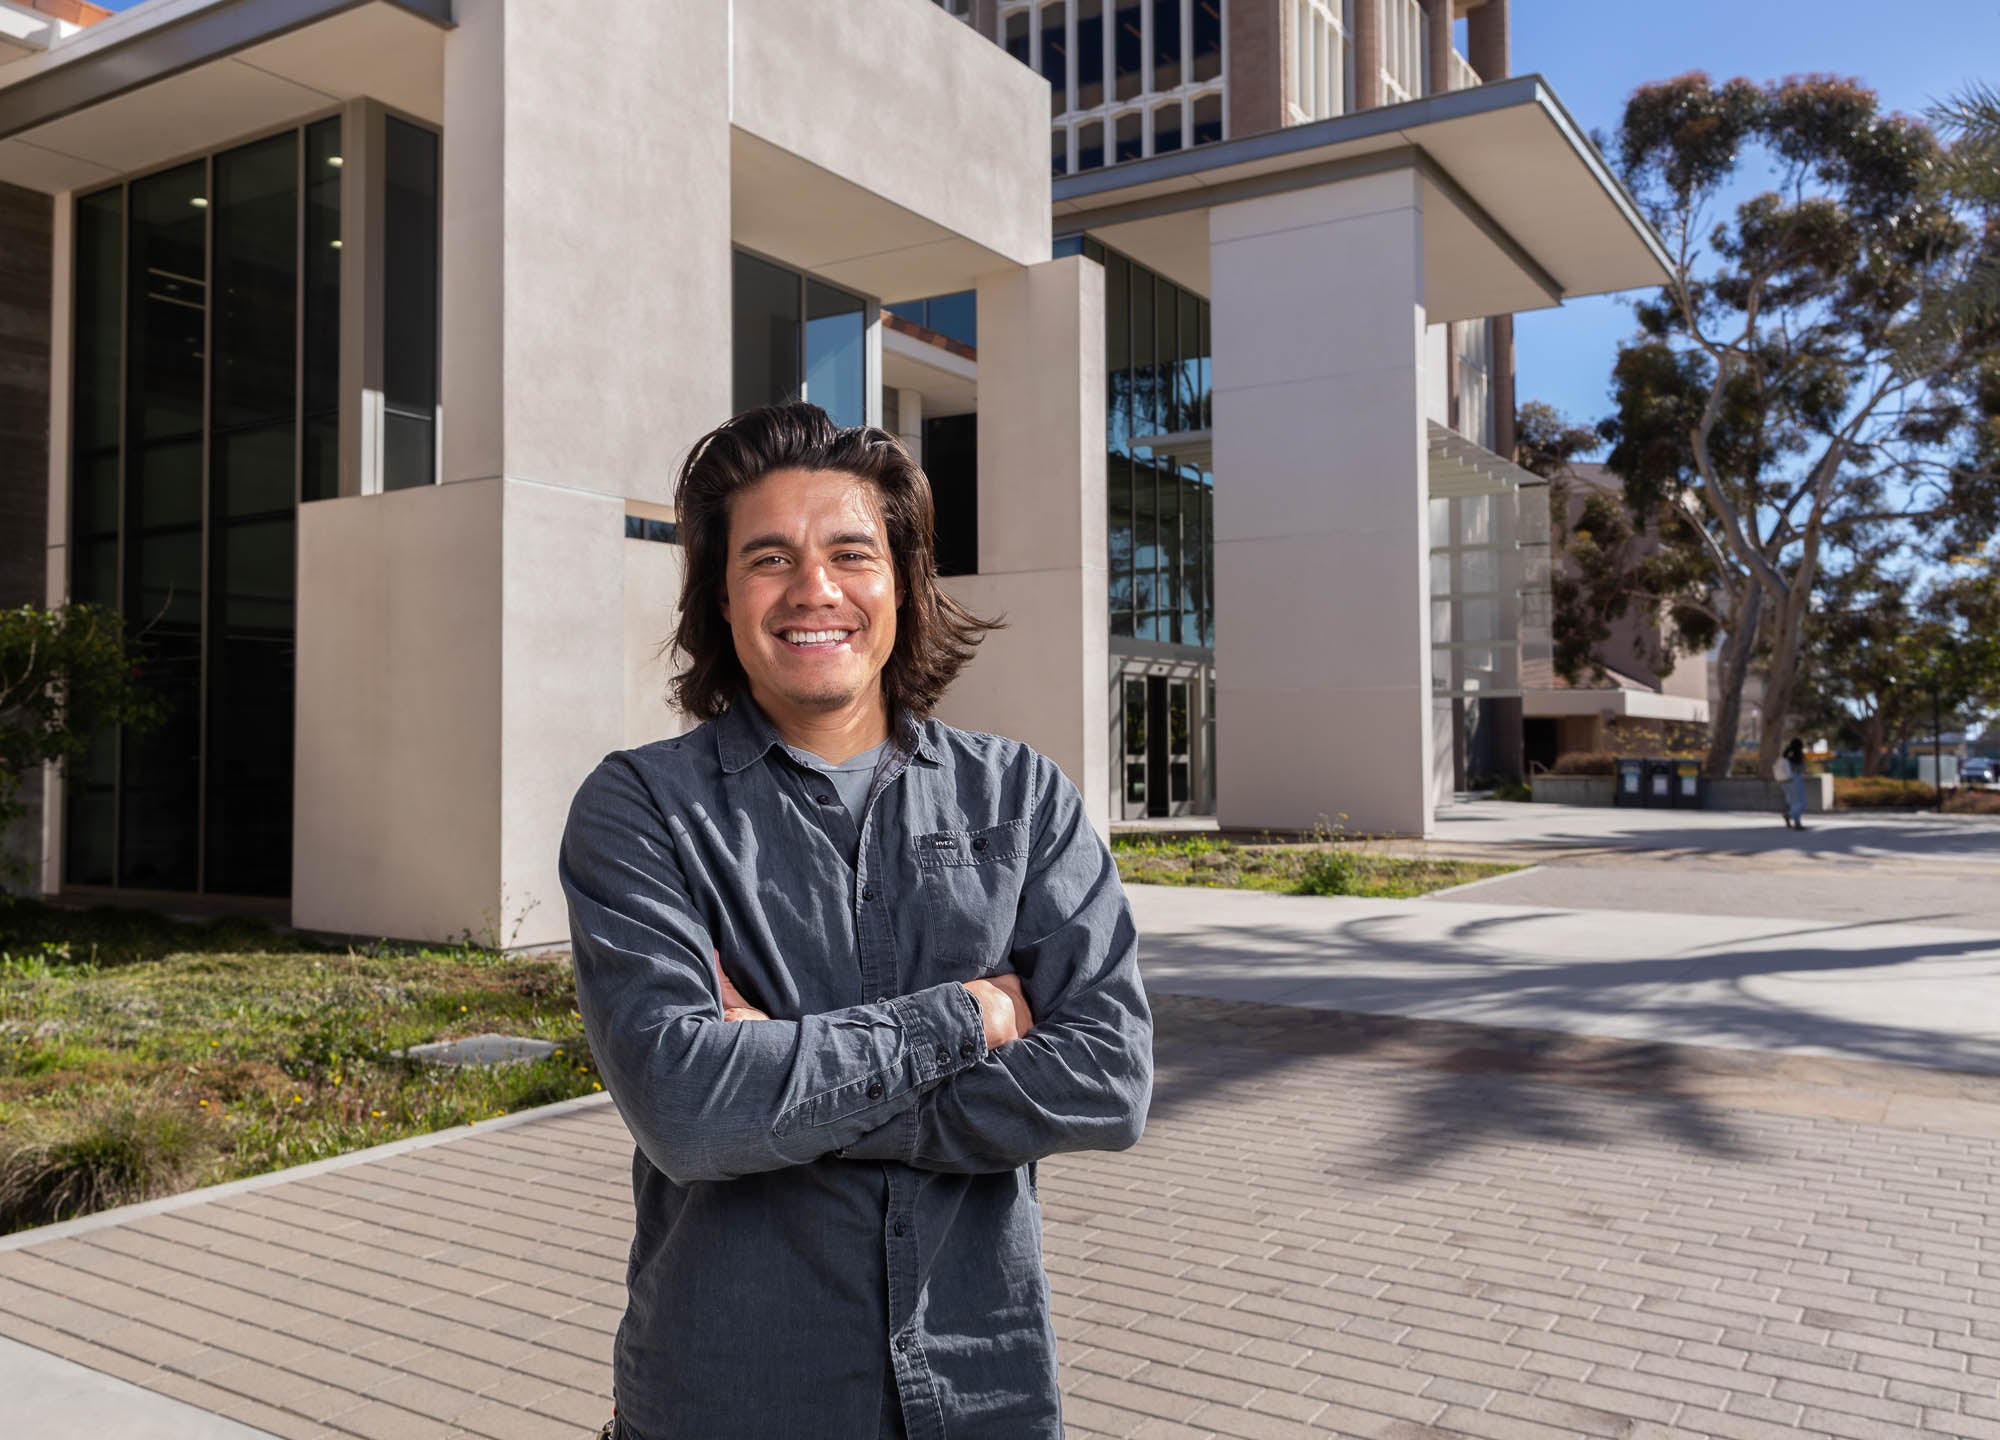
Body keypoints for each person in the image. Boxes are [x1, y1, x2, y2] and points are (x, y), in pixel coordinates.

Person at [560, 403, 1154, 1440]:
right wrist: (968, 1019)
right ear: (719, 592)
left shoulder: (1019, 798)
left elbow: (1108, 1078)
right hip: (731, 1397)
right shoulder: (640, 809)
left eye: (849, 552)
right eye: (768, 558)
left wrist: (779, 1096)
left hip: (986, 1391)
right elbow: (686, 1108)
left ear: (900, 580)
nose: (814, 589)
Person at [1780, 736, 1808, 830]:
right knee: (1801, 802)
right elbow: (1801, 769)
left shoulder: (1786, 755)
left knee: (1792, 802)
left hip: (1784, 781)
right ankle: (1789, 815)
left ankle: (1797, 823)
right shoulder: (1798, 755)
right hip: (1795, 780)